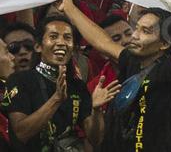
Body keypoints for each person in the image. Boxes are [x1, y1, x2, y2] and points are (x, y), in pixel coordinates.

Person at [59, 0, 171, 152]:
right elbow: (102, 42)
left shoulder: (169, 71)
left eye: (146, 31)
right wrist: (69, 8)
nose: (134, 35)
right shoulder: (131, 62)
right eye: (137, 28)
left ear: (164, 44)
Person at [1, 14, 118, 152]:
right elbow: (21, 133)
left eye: (67, 38)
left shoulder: (77, 86)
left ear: (73, 48)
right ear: (38, 46)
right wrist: (56, 99)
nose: (61, 42)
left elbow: (96, 139)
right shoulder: (20, 80)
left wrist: (96, 110)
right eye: (53, 36)